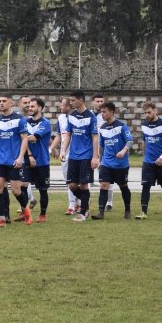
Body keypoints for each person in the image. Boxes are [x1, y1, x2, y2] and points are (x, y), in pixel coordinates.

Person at [0, 95, 31, 228]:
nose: (1, 103)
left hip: (14, 161)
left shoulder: (19, 120)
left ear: (11, 103)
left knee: (16, 191)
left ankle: (26, 210)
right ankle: (1, 219)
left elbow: (24, 139)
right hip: (0, 160)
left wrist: (20, 157)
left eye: (4, 101)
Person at [60, 89, 100, 223]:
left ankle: (82, 213)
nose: (70, 103)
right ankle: (86, 205)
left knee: (83, 185)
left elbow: (95, 138)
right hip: (73, 157)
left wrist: (95, 157)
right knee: (72, 185)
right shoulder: (71, 116)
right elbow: (68, 135)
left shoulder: (91, 117)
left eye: (73, 100)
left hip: (86, 156)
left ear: (81, 100)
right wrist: (63, 151)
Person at [94, 101, 133, 220]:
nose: (102, 114)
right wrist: (99, 160)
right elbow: (101, 146)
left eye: (104, 112)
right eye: (101, 112)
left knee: (123, 186)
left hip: (121, 164)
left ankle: (127, 209)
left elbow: (130, 141)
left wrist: (123, 150)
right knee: (104, 185)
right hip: (106, 163)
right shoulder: (102, 128)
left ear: (111, 112)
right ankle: (101, 212)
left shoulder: (121, 126)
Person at [138, 101, 162, 219]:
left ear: (155, 111)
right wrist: (144, 156)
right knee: (145, 186)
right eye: (145, 113)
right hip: (148, 162)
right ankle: (143, 212)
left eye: (149, 112)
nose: (147, 115)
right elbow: (144, 141)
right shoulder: (144, 125)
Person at [23, 97, 52, 223]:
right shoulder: (25, 122)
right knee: (23, 186)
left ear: (40, 108)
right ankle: (25, 212)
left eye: (32, 106)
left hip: (42, 161)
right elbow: (23, 138)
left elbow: (33, 138)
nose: (29, 108)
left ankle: (42, 214)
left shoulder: (45, 123)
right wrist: (29, 155)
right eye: (29, 106)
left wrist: (20, 137)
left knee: (42, 189)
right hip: (27, 160)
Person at [49, 97, 79, 215]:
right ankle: (73, 204)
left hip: (78, 153)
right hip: (64, 153)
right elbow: (59, 135)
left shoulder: (78, 117)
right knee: (69, 181)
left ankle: (77, 204)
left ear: (69, 106)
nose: (60, 107)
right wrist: (51, 149)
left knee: (79, 181)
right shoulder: (61, 118)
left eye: (62, 105)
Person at [92, 93, 114, 212]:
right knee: (88, 177)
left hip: (105, 149)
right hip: (91, 149)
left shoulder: (105, 116)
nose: (100, 103)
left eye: (101, 101)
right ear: (92, 102)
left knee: (106, 177)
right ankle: (85, 201)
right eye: (97, 101)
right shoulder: (89, 115)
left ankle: (109, 202)